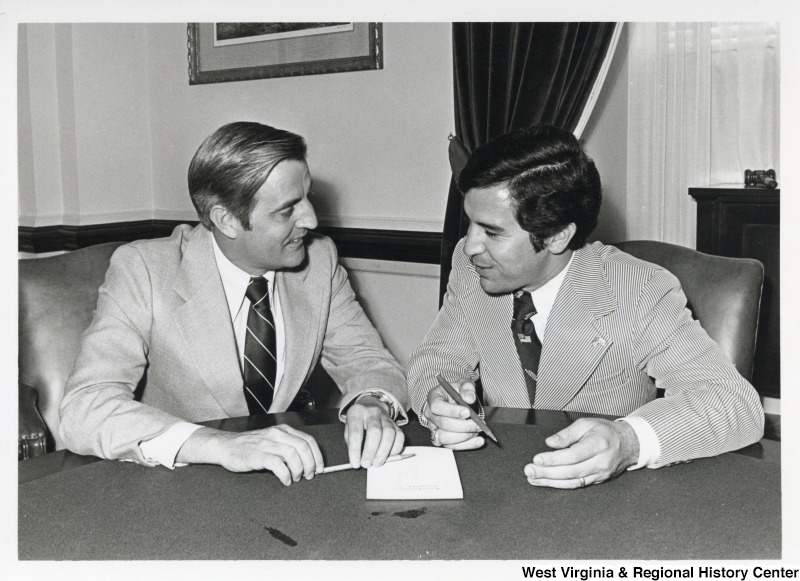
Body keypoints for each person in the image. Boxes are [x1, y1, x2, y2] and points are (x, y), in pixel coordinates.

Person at [406, 125, 764, 489]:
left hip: (604, 496)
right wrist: (440, 404)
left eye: (492, 232)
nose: (469, 246)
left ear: (557, 235)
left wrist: (628, 440)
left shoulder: (638, 290)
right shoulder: (471, 269)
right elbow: (437, 359)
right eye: (470, 224)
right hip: (499, 486)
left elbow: (733, 401)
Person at [60, 121, 409, 485]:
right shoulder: (145, 270)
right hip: (174, 486)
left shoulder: (319, 260)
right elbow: (85, 408)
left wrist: (373, 402)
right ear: (226, 220)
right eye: (287, 210)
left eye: (308, 197)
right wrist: (220, 446)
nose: (311, 219)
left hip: (281, 483)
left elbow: (368, 361)